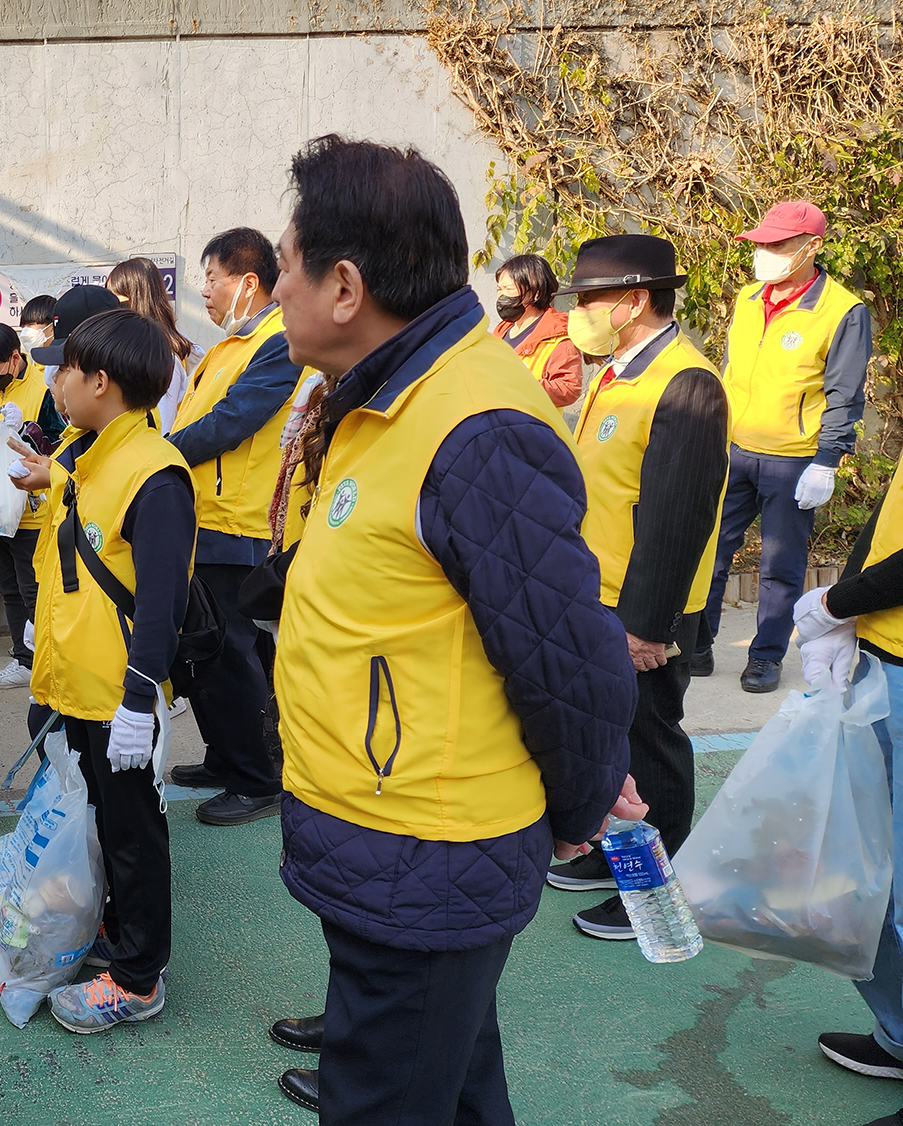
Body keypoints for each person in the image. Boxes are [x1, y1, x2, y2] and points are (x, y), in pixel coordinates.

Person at [262, 137, 637, 1122]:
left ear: (343, 285)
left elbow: (570, 659)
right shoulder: (387, 396)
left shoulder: (472, 424)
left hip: (425, 849)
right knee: (457, 1087)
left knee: (386, 1097)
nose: (273, 292)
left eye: (283, 266)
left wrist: (578, 801)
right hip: (396, 843)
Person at [546, 234, 731, 940]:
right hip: (599, 595)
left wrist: (648, 624)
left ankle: (655, 889)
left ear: (633, 300)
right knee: (614, 739)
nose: (578, 313)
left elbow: (677, 517)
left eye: (589, 300)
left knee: (650, 744)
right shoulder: (618, 374)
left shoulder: (685, 383)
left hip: (643, 606)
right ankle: (619, 860)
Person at [16, 309, 196, 1034]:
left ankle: (139, 976)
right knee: (99, 825)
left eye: (65, 370)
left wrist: (137, 700)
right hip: (78, 686)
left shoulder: (154, 472)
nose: (54, 381)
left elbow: (160, 603)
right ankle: (115, 934)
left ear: (101, 380)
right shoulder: (89, 454)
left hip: (119, 695)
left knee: (132, 833)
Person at [698, 201, 873, 692]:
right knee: (709, 550)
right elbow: (733, 371)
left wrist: (826, 462)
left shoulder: (842, 311)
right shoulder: (748, 299)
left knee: (780, 567)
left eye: (776, 245)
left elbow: (844, 394)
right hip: (733, 450)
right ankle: (698, 642)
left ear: (812, 247)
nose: (764, 253)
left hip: (793, 459)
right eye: (760, 243)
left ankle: (766, 657)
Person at [163, 227, 305, 827]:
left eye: (213, 279)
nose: (206, 292)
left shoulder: (277, 342)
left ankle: (257, 776)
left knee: (234, 654)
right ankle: (224, 757)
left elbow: (232, 421)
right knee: (208, 655)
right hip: (208, 520)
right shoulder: (227, 346)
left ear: (249, 282)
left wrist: (161, 457)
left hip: (241, 523)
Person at [797, 478, 903, 1126]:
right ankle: (898, 1034)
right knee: (875, 881)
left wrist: (837, 599)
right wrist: (846, 616)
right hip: (884, 657)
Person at [0, 322, 58, 690]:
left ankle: (47, 659)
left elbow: (59, 443)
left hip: (33, 514)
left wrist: (28, 428)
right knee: (8, 589)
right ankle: (22, 658)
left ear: (14, 358)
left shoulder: (43, 390)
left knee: (34, 590)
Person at [107, 256, 202, 431]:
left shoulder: (162, 358)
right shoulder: (136, 351)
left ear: (137, 301)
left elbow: (162, 429)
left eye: (118, 304)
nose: (112, 313)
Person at [491, 254, 583, 409]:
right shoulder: (502, 330)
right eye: (499, 289)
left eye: (508, 289)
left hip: (529, 427)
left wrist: (519, 386)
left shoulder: (557, 337)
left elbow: (569, 388)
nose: (501, 295)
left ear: (535, 292)